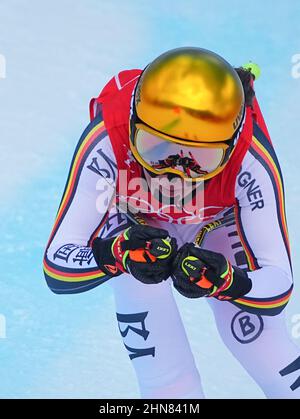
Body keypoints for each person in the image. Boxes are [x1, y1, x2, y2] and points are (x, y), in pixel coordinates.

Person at [43, 47, 300, 399]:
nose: (175, 175)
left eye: (201, 160)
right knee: (165, 378)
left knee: (264, 350)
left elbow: (280, 283)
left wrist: (229, 281)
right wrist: (117, 252)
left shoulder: (250, 158)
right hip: (137, 218)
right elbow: (56, 263)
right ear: (131, 124)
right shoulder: (107, 136)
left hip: (210, 220)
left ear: (232, 144)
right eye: (154, 148)